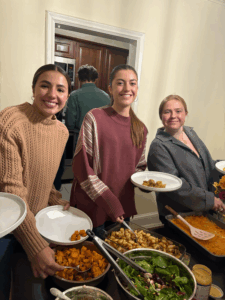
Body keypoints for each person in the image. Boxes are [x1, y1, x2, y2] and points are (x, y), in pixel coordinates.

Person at [0, 64, 72, 300]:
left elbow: (44, 177)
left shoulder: (62, 132)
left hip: (35, 225)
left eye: (60, 89)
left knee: (29, 291)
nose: (52, 94)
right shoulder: (10, 121)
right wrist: (35, 244)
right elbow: (12, 190)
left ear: (67, 96)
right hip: (5, 228)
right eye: (45, 85)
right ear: (33, 89)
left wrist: (56, 200)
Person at [70, 64, 148, 237]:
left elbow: (139, 168)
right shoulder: (94, 118)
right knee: (91, 258)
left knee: (118, 258)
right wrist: (110, 202)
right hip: (94, 207)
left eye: (132, 83)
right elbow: (82, 168)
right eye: (120, 83)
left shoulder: (141, 128)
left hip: (122, 210)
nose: (127, 88)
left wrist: (146, 183)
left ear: (137, 88)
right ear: (110, 89)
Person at [147, 94, 225, 223]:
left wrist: (220, 167)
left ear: (186, 113)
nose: (173, 116)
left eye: (178, 111)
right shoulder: (158, 146)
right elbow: (174, 186)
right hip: (180, 215)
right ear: (161, 116)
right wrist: (209, 200)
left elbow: (206, 164)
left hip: (203, 211)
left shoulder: (190, 133)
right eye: (167, 112)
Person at [65, 64, 110, 149]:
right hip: (101, 139)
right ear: (96, 79)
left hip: (81, 139)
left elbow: (70, 123)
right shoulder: (106, 96)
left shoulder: (74, 95)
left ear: (79, 79)